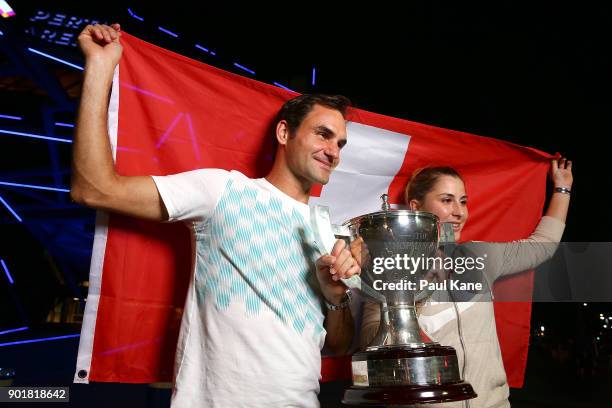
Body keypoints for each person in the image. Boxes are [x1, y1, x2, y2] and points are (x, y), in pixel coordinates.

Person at [72, 23, 360, 407]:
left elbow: (336, 347)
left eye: (340, 143)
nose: (334, 151)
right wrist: (100, 67)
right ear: (284, 133)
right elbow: (94, 189)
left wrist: (336, 297)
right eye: (323, 134)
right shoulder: (223, 189)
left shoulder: (327, 232)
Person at [360, 159, 573, 408]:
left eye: (463, 201)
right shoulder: (388, 268)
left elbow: (542, 246)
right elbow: (369, 346)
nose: (459, 212)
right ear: (416, 207)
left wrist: (562, 188)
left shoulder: (480, 257)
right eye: (446, 200)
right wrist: (416, 288)